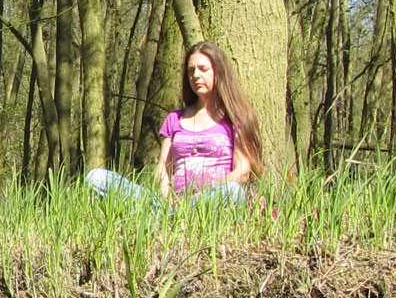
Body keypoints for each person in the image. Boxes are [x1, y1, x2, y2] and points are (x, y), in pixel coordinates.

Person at [87, 40, 264, 205]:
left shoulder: (236, 117)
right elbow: (163, 168)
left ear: (219, 72)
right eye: (191, 70)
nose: (195, 75)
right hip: (171, 204)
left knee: (233, 191)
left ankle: (166, 219)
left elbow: (242, 171)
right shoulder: (175, 118)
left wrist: (203, 196)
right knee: (96, 177)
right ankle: (163, 217)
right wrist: (167, 200)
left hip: (210, 201)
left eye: (203, 69)